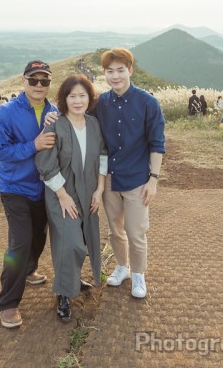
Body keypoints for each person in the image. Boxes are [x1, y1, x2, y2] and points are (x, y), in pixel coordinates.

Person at [35, 74, 107, 323]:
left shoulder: (94, 124)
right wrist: (63, 195)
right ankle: (63, 294)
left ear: (90, 98)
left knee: (86, 239)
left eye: (82, 95)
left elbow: (103, 156)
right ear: (64, 99)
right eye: (72, 96)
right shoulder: (55, 124)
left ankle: (72, 279)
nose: (78, 100)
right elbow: (45, 163)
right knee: (70, 241)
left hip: (89, 191)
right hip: (61, 193)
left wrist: (99, 190)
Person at [0, 60, 58, 329]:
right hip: (14, 187)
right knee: (20, 242)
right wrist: (33, 145)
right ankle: (7, 304)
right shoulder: (6, 112)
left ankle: (29, 270)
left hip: (43, 187)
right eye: (34, 80)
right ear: (24, 81)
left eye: (45, 81)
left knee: (38, 237)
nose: (39, 85)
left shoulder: (54, 111)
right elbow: (0, 151)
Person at [95, 48, 165, 299]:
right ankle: (122, 267)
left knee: (136, 231)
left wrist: (153, 180)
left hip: (137, 179)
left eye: (120, 70)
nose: (115, 76)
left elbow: (157, 143)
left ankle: (138, 274)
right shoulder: (100, 103)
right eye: (110, 71)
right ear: (104, 73)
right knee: (115, 229)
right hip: (110, 178)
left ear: (130, 70)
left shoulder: (147, 102)